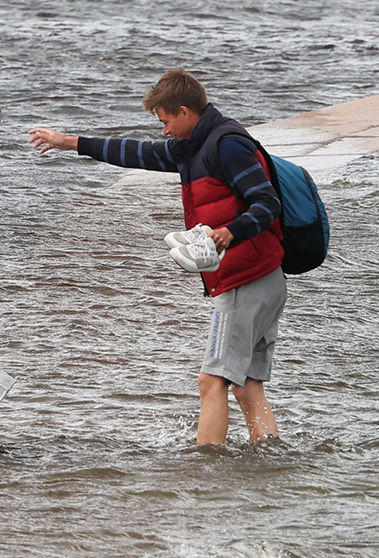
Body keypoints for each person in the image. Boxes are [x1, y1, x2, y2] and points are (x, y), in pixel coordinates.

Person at [27, 69, 284, 447]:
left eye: (165, 122)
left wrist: (230, 232)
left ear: (184, 112)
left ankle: (205, 466)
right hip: (264, 278)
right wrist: (68, 142)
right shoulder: (193, 147)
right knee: (247, 384)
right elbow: (136, 152)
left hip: (245, 280)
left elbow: (267, 202)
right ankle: (270, 458)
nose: (164, 131)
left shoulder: (227, 145)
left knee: (210, 380)